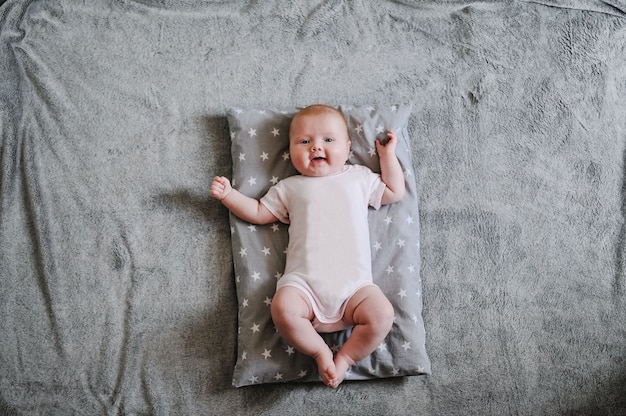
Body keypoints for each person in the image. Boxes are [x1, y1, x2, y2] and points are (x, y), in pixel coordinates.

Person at [210, 104, 405, 388]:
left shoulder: (358, 178)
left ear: (348, 147)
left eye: (328, 140)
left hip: (355, 290)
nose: (316, 147)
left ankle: (346, 359)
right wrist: (229, 195)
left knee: (383, 314)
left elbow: (394, 191)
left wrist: (388, 156)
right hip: (304, 288)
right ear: (290, 151)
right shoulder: (290, 187)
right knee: (282, 308)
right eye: (305, 141)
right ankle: (319, 351)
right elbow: (258, 212)